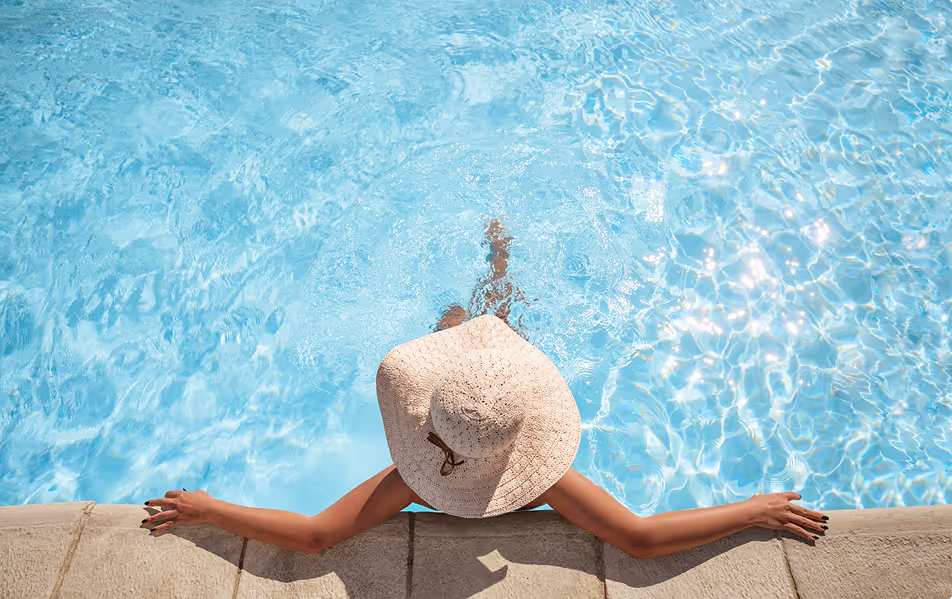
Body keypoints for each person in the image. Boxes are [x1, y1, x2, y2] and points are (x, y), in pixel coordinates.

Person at [143, 219, 829, 557]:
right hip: (486, 403)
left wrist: (211, 508)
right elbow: (640, 538)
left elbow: (319, 534)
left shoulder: (415, 479)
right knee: (491, 326)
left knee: (466, 327)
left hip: (469, 401)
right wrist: (752, 509)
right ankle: (499, 261)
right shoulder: (545, 479)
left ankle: (490, 273)